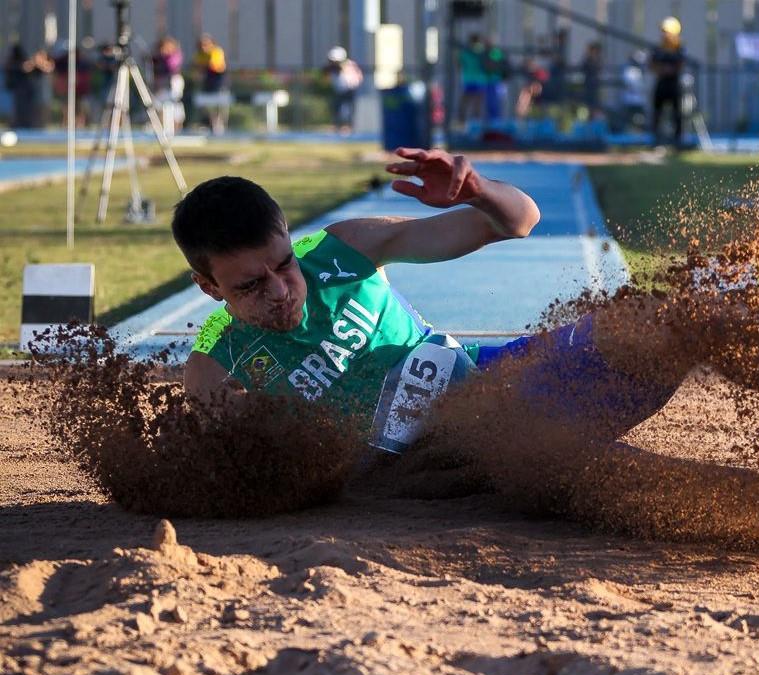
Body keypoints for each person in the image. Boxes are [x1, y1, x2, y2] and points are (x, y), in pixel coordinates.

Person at [176, 149, 722, 455]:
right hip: (467, 465)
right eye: (249, 286)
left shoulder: (343, 250)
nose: (280, 292)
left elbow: (521, 221)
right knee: (622, 480)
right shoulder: (214, 366)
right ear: (209, 287)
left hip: (501, 380)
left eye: (284, 264)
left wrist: (478, 192)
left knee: (671, 321)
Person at [650, 16, 685, 147]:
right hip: (661, 84)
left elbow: (680, 64)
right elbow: (652, 64)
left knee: (677, 114)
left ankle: (677, 141)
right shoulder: (658, 48)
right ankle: (656, 140)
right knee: (657, 113)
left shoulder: (678, 48)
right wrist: (661, 70)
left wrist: (669, 70)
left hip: (673, 85)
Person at [5, 45, 54, 128]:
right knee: (20, 108)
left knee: (32, 109)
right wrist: (34, 62)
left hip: (31, 91)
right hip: (21, 90)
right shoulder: (17, 63)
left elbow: (49, 68)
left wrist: (39, 62)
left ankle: (30, 124)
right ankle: (19, 124)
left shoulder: (38, 65)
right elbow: (24, 68)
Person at [193, 33, 228, 134]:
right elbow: (197, 66)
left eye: (205, 44)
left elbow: (214, 65)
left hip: (218, 81)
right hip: (207, 81)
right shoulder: (200, 54)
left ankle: (219, 125)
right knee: (207, 105)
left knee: (219, 104)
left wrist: (203, 64)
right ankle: (210, 124)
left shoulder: (216, 51)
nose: (203, 47)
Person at [324, 46, 363, 134]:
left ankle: (348, 127)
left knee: (348, 109)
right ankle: (336, 126)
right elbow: (328, 78)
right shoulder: (332, 68)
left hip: (349, 90)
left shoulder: (350, 65)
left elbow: (358, 77)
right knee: (336, 108)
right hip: (338, 91)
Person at [152, 36, 185, 134]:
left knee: (173, 105)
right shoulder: (158, 58)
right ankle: (163, 128)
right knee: (160, 105)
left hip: (173, 83)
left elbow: (171, 68)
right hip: (161, 85)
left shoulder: (175, 56)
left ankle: (177, 128)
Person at [458, 34, 487, 124]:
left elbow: (460, 64)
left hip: (468, 80)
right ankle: (476, 122)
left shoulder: (464, 51)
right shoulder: (482, 51)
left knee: (465, 102)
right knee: (477, 103)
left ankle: (462, 121)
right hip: (480, 80)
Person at [619, 50, 648, 131]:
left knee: (641, 121)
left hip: (639, 101)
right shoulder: (630, 71)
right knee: (628, 121)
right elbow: (633, 85)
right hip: (630, 101)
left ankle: (640, 134)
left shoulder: (639, 71)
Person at [579, 41, 604, 120]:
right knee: (587, 103)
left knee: (595, 102)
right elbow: (583, 68)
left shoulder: (597, 59)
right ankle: (587, 117)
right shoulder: (587, 59)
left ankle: (594, 117)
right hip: (588, 84)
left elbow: (599, 68)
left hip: (594, 84)